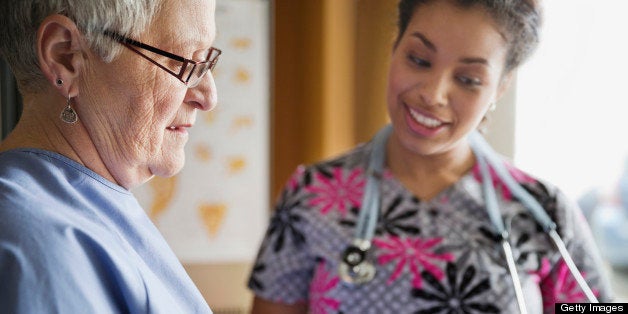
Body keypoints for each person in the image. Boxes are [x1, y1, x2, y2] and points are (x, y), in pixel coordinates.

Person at [247, 0, 613, 313]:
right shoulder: (312, 195)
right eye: (419, 59)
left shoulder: (544, 212)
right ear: (395, 47)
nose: (433, 94)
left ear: (501, 85)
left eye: (468, 79)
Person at [0, 0, 219, 312]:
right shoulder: (39, 243)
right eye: (183, 62)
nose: (208, 97)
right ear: (67, 57)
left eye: (206, 61)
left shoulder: (89, 203)